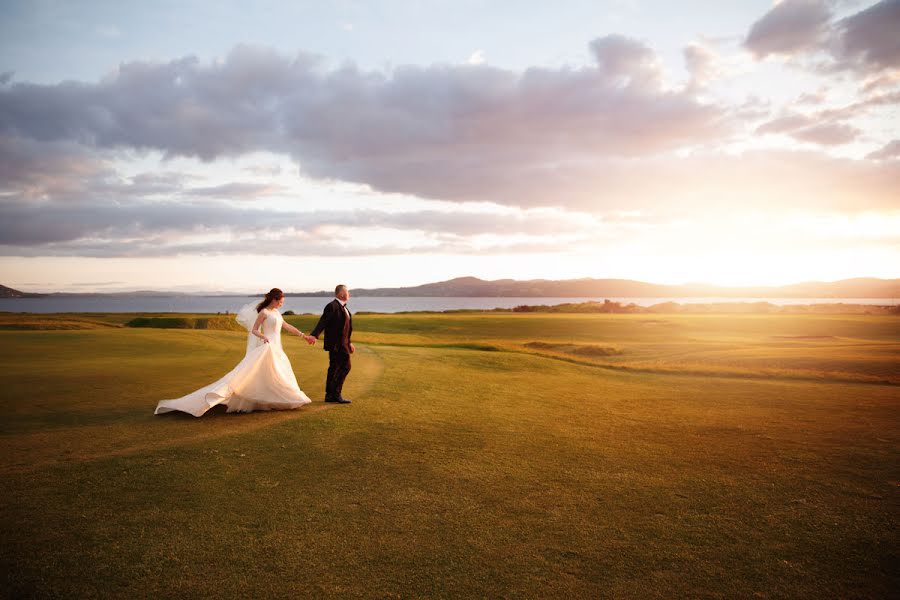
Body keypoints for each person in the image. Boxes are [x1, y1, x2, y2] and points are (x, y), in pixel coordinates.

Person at [154, 288, 316, 417]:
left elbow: (287, 326)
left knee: (275, 374)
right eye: (281, 301)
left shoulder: (276, 313)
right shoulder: (264, 313)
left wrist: (304, 336)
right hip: (267, 347)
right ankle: (278, 400)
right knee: (260, 374)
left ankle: (277, 400)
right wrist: (264, 337)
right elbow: (254, 330)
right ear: (275, 299)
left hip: (276, 348)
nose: (282, 304)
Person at [309, 284, 354, 404]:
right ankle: (336, 394)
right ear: (341, 294)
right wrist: (314, 335)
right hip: (336, 344)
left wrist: (349, 343)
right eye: (347, 292)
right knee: (345, 366)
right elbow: (323, 321)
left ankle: (330, 395)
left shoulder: (344, 308)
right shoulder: (332, 306)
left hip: (343, 344)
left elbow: (346, 328)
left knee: (334, 368)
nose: (349, 294)